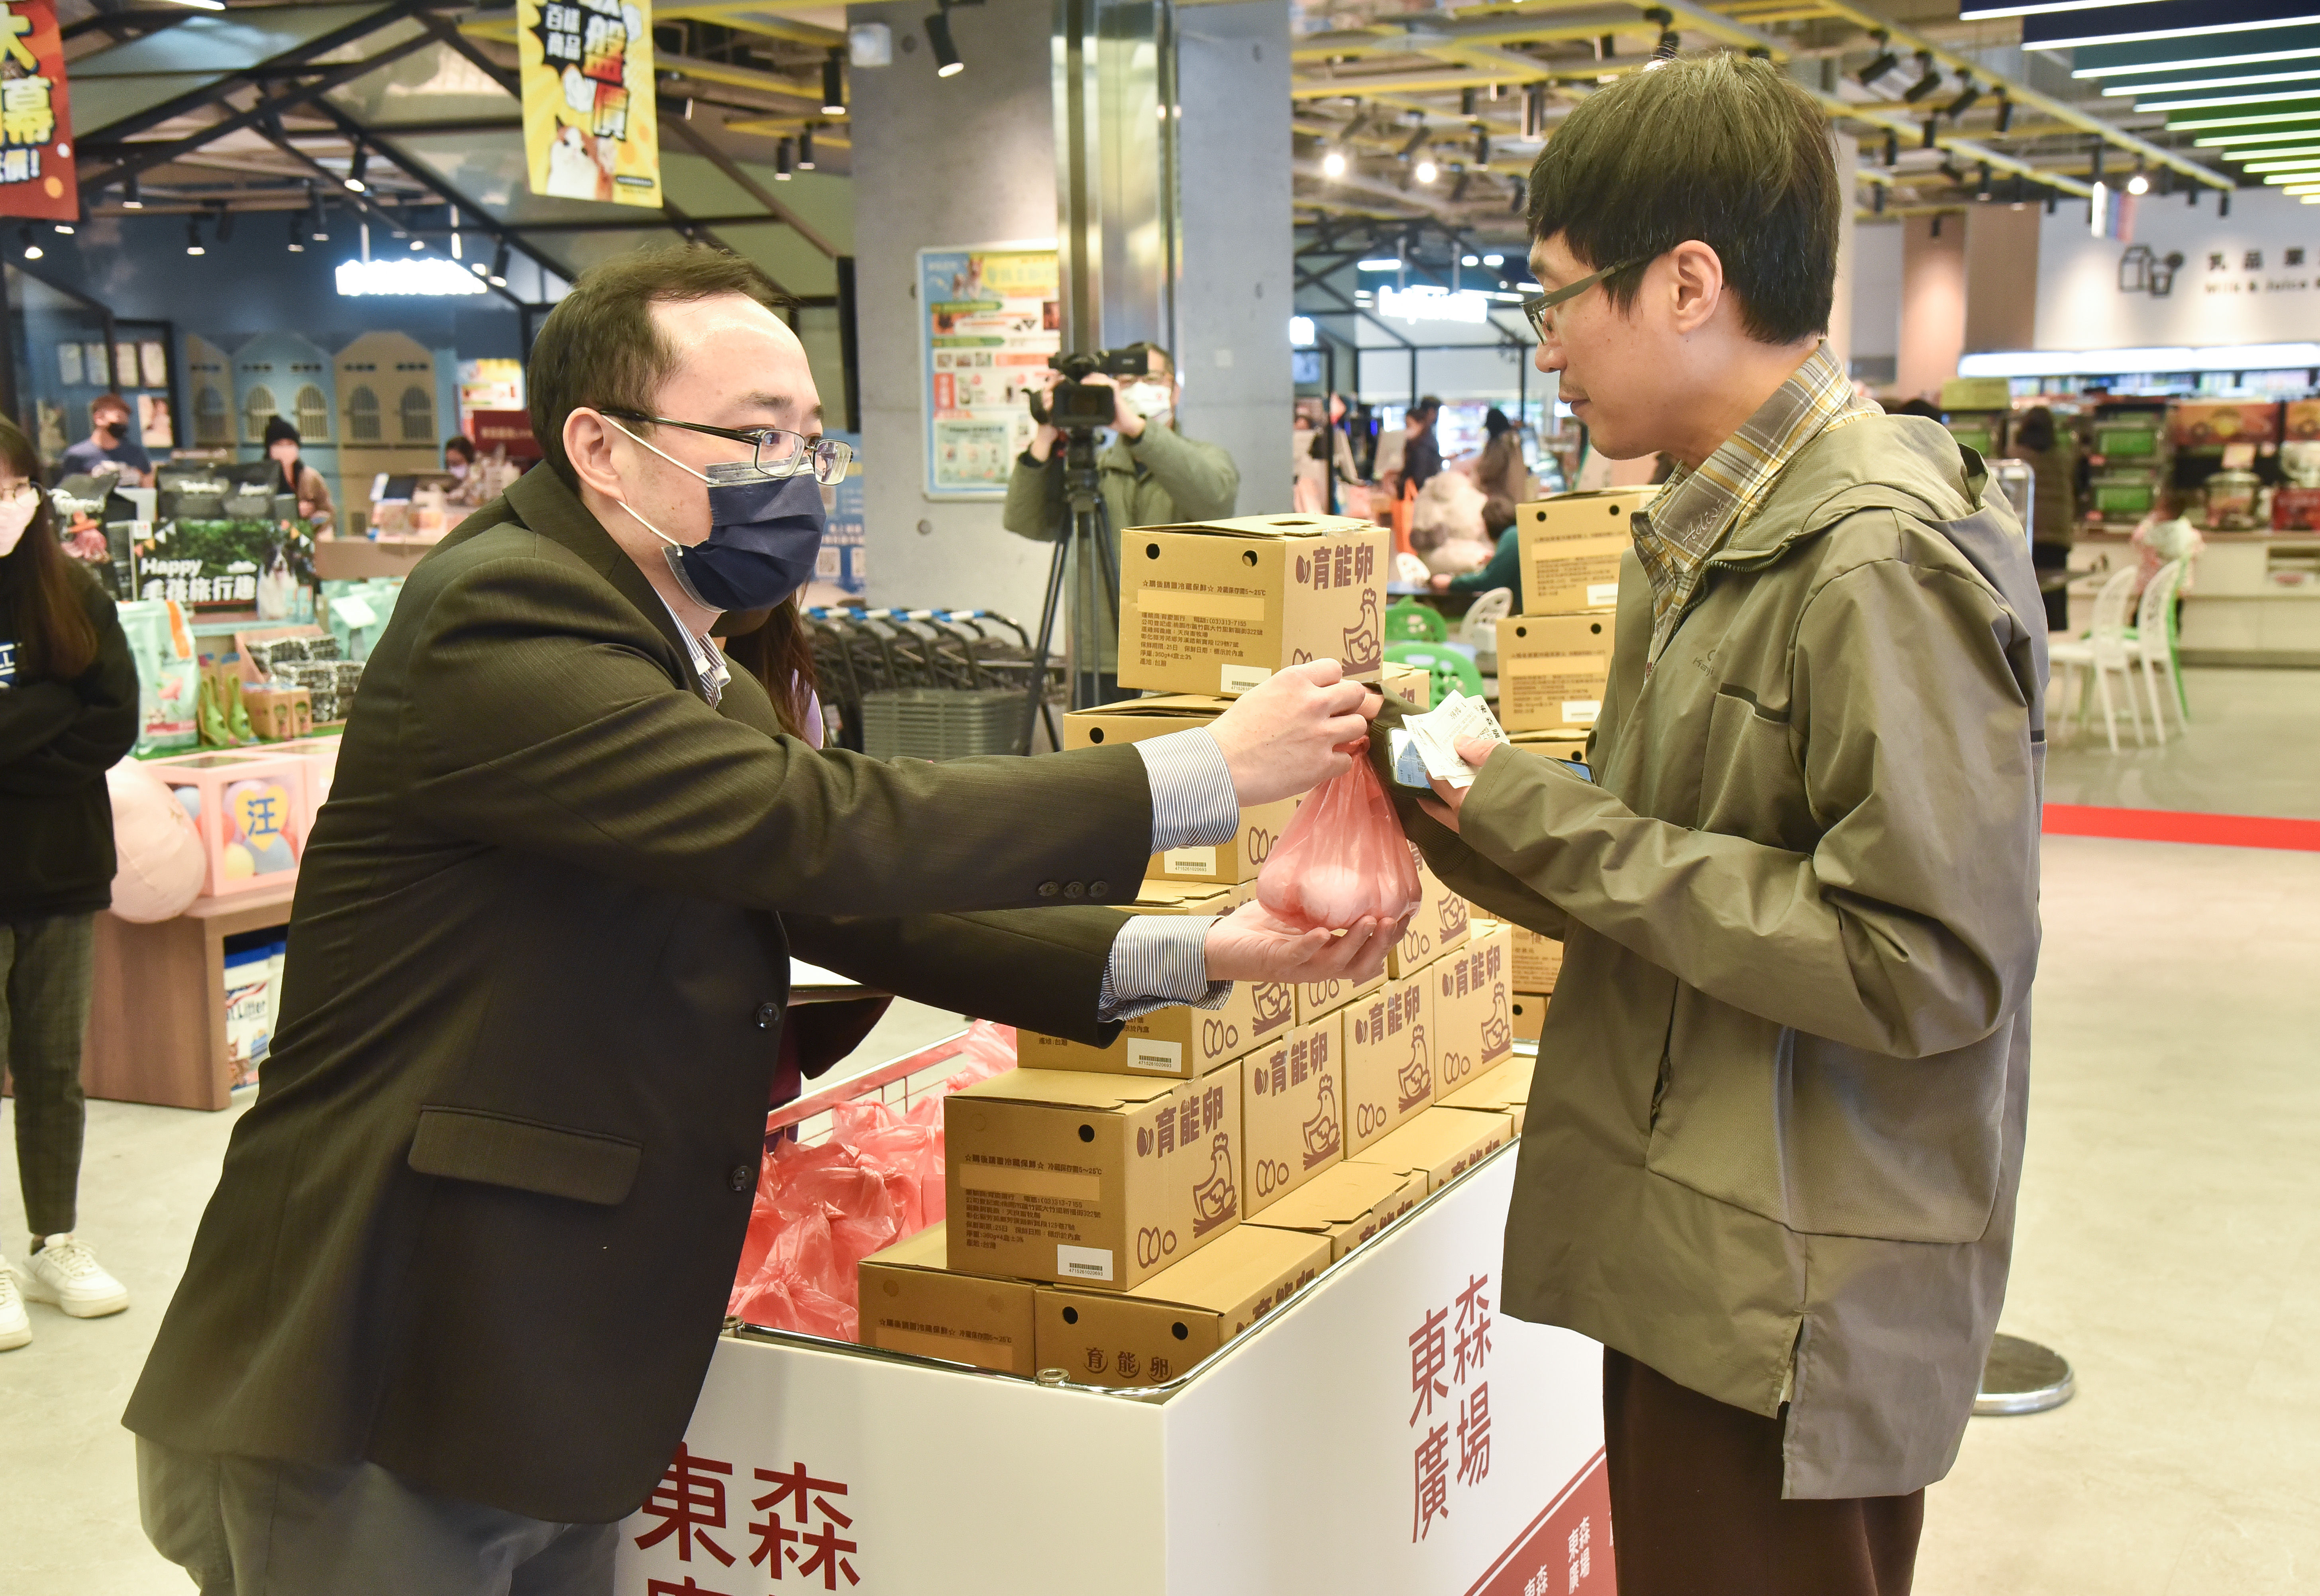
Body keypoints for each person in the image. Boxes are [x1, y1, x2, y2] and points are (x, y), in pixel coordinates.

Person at [126, 247, 1398, 1592]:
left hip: (542, 1365)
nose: (798, 474)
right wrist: (1198, 773)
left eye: (809, 437)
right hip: (382, 1358)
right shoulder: (504, 619)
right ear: (601, 449)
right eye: (752, 436)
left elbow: (840, 897)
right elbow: (820, 824)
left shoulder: (689, 663)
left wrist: (1194, 950)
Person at [1394, 54, 2044, 1596]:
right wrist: (1457, 804)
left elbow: (1923, 962)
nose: (1544, 345)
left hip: (1794, 1291)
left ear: (1686, 283)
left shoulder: (1868, 556)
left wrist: (1544, 814)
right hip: (1710, 1248)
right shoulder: (1712, 525)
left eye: (1559, 299)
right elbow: (1667, 864)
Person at [0, 414, 141, 1354]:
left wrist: (23, 727)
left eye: (8, 484)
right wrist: (50, 710)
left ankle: (55, 1240)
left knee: (53, 1072)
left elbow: (116, 718)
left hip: (62, 871)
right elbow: (76, 713)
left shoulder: (72, 590)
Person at [1001, 341, 1237, 701]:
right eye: (1126, 382)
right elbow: (1027, 522)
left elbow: (1215, 500)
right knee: (1100, 757)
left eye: (1151, 378)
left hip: (1181, 651)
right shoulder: (1093, 469)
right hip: (1101, 656)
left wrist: (1137, 429)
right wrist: (1045, 436)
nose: (1139, 389)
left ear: (1174, 389)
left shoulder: (1206, 458)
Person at [2008, 405, 2077, 633]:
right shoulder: (2064, 457)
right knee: (2053, 600)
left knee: (2026, 601)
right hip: (2058, 536)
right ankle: (2052, 650)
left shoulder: (2015, 457)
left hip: (2025, 537)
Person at [1431, 492, 1522, 612]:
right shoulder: (1516, 534)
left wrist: (1450, 582)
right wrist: (1497, 561)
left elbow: (1488, 581)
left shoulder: (1511, 536)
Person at [58, 393, 153, 486]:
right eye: (119, 418)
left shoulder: (136, 453)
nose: (122, 425)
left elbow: (148, 486)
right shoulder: (78, 455)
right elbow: (70, 492)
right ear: (99, 418)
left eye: (125, 420)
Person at [259, 416, 334, 528]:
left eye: (290, 444)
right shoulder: (260, 479)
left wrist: (313, 519)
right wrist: (292, 511)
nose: (285, 449)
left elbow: (329, 512)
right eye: (279, 445)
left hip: (308, 537)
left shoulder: (311, 477)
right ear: (269, 449)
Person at [1473, 407, 1531, 505]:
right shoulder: (1513, 438)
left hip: (1504, 500)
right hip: (1516, 498)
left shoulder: (1502, 442)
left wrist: (1477, 472)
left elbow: (1491, 469)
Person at [1401, 395, 1446, 494]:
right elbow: (1420, 475)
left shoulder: (1421, 440)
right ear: (1431, 412)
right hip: (1425, 493)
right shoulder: (1424, 440)